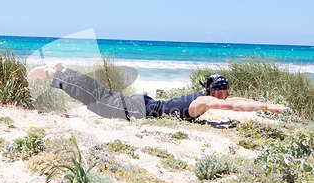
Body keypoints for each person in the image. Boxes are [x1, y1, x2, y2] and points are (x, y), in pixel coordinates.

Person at [27, 63, 290, 121]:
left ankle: (63, 71)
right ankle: (56, 74)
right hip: (143, 109)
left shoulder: (209, 98)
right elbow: (232, 104)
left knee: (101, 95)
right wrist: (267, 108)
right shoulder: (205, 101)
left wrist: (267, 105)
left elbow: (235, 101)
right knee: (98, 100)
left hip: (146, 105)